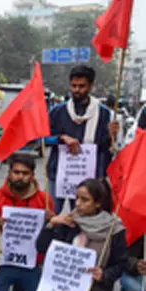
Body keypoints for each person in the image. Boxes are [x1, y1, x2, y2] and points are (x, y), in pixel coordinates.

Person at [0, 154, 54, 291]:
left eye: (25, 173)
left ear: (32, 175)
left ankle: (21, 288)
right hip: (0, 263)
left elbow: (50, 237)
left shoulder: (44, 200)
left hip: (31, 264)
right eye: (16, 172)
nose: (20, 177)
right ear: (9, 173)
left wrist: (50, 222)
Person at [36, 179, 128, 291]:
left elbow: (121, 263)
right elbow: (42, 248)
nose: (78, 203)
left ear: (98, 203)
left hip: (95, 290)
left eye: (84, 200)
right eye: (77, 198)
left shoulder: (113, 228)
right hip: (63, 287)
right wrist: (51, 224)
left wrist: (104, 275)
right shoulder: (69, 221)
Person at [47, 65, 119, 213]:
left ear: (91, 86)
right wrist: (61, 138)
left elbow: (105, 148)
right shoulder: (57, 111)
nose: (77, 90)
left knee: (83, 219)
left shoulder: (104, 114)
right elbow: (42, 139)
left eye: (82, 86)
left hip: (88, 178)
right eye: (73, 86)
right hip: (58, 174)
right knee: (50, 215)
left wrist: (112, 136)